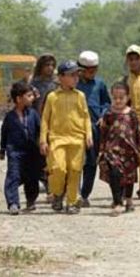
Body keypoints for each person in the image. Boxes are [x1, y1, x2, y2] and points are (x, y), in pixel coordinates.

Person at [40, 60, 92, 214]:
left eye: (77, 75)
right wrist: (43, 140)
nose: (76, 78)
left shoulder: (80, 96)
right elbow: (45, 119)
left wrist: (88, 134)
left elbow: (85, 117)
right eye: (72, 75)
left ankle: (72, 201)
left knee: (75, 170)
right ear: (61, 77)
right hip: (57, 139)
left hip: (77, 138)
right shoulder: (52, 97)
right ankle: (57, 193)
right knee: (58, 168)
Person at [98, 82, 140, 216]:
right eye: (115, 98)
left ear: (128, 97)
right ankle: (117, 202)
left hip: (130, 151)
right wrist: (101, 150)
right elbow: (103, 133)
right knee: (114, 175)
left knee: (129, 177)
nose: (118, 101)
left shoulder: (132, 114)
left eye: (121, 98)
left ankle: (129, 200)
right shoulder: (108, 114)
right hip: (112, 151)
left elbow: (138, 133)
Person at [0, 81, 42, 215]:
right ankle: (13, 203)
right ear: (18, 99)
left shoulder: (33, 114)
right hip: (14, 151)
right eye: (29, 96)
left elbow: (40, 130)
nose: (32, 98)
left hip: (31, 151)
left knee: (32, 177)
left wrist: (43, 143)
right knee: (13, 175)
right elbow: (4, 133)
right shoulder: (10, 117)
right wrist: (2, 149)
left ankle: (31, 200)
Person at [76, 50, 111, 208]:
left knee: (91, 163)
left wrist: (104, 115)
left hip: (95, 129)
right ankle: (72, 194)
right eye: (90, 70)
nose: (93, 73)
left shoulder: (100, 84)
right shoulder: (73, 84)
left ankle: (84, 195)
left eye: (95, 70)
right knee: (74, 163)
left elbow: (106, 103)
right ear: (81, 70)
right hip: (75, 129)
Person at [123, 45, 140, 200]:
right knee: (128, 157)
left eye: (137, 59)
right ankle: (125, 187)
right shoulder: (124, 80)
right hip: (128, 124)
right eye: (131, 59)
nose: (133, 62)